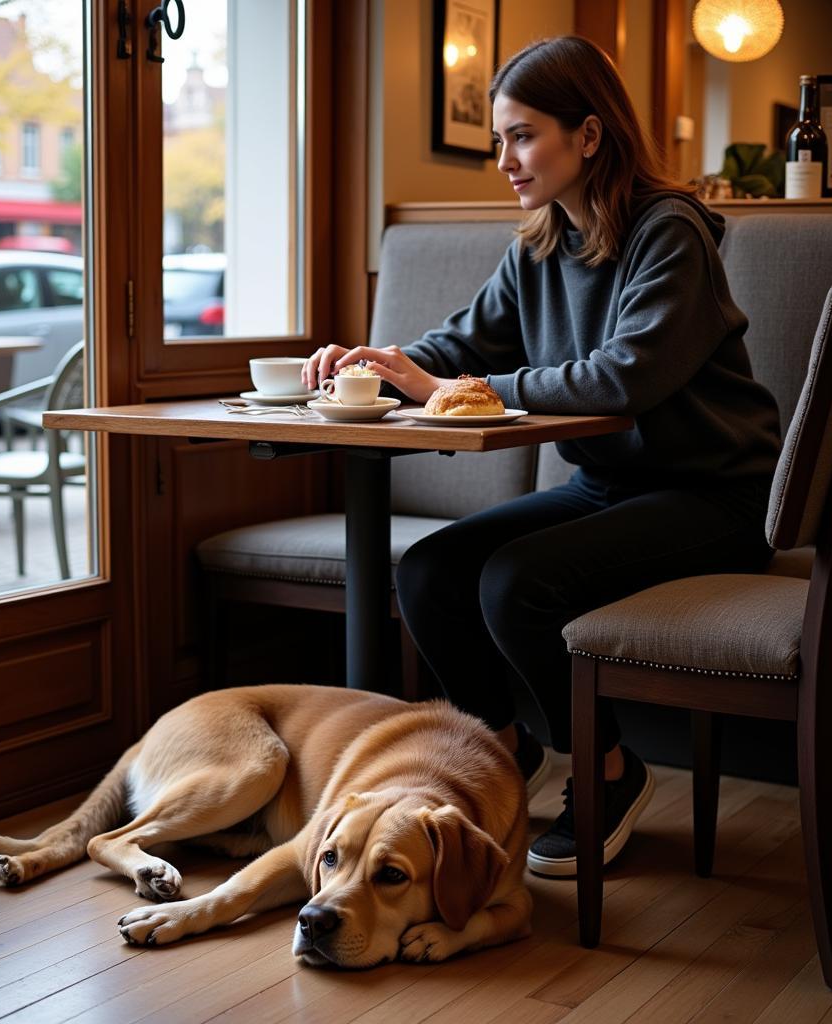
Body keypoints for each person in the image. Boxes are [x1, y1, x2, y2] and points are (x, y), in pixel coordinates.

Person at [302, 35, 781, 878]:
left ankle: (609, 773)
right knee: (429, 571)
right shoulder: (539, 242)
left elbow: (624, 378)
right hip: (611, 486)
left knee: (516, 581)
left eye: (522, 135)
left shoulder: (671, 234)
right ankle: (506, 751)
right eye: (498, 139)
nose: (504, 160)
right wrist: (375, 366)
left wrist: (461, 385)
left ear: (588, 136)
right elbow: (456, 345)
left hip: (717, 499)